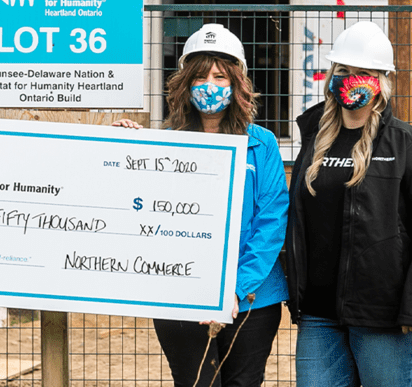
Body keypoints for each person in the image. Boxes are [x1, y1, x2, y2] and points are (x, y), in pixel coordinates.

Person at [113, 23, 289, 387]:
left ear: (237, 82)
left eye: (221, 76)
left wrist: (236, 289)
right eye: (202, 76)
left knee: (243, 382)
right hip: (180, 292)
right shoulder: (163, 146)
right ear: (186, 83)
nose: (211, 85)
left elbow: (271, 221)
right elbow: (141, 209)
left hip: (254, 298)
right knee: (196, 383)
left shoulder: (262, 144)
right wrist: (127, 151)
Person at [282, 21, 412, 386]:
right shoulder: (314, 138)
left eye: (363, 73)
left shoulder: (407, 145)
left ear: (381, 82)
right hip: (318, 313)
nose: (350, 79)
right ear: (330, 76)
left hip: (384, 316)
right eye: (343, 71)